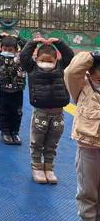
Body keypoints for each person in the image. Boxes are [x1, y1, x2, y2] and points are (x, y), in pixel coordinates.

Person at [20, 36, 74, 184]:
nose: (47, 63)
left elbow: (69, 56)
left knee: (52, 143)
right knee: (37, 142)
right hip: (40, 112)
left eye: (50, 61)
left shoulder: (61, 67)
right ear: (36, 59)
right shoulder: (32, 68)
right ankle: (37, 167)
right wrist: (33, 42)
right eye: (43, 60)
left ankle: (49, 168)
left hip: (58, 114)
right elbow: (24, 57)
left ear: (56, 60)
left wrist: (59, 43)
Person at [64, 50, 100, 221]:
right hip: (89, 147)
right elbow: (71, 72)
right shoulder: (82, 88)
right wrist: (90, 56)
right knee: (88, 187)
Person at [0, 34, 26, 145]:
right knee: (3, 112)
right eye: (5, 49)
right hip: (2, 91)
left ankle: (15, 132)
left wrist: (18, 38)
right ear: (1, 48)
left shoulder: (20, 59)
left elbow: (28, 47)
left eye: (10, 50)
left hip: (17, 91)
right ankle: (5, 132)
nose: (7, 51)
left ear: (16, 49)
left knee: (17, 112)